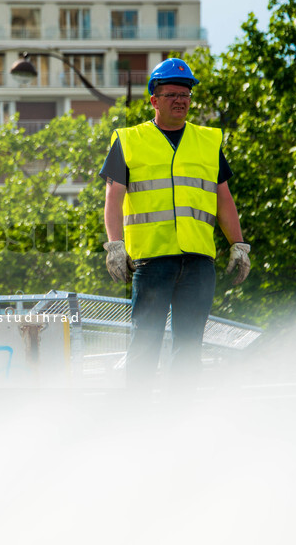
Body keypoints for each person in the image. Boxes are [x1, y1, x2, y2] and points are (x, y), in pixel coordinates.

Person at [99, 58, 250, 395]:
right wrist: (115, 245)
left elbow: (223, 198)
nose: (181, 100)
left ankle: (180, 422)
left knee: (189, 349)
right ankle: (135, 420)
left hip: (198, 262)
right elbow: (114, 196)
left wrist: (238, 245)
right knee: (144, 345)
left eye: (186, 94)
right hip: (152, 261)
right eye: (171, 95)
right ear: (154, 100)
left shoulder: (208, 141)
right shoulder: (129, 139)